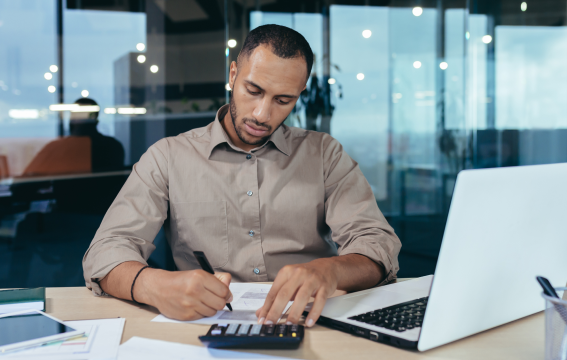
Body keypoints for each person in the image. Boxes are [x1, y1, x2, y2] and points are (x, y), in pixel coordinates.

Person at [82, 25, 401, 328]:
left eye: (283, 100)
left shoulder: (324, 154)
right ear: (233, 74)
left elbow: (377, 244)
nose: (263, 115)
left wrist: (331, 271)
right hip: (202, 323)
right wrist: (152, 285)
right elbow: (107, 250)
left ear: (300, 93)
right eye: (254, 90)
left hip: (312, 323)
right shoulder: (168, 156)